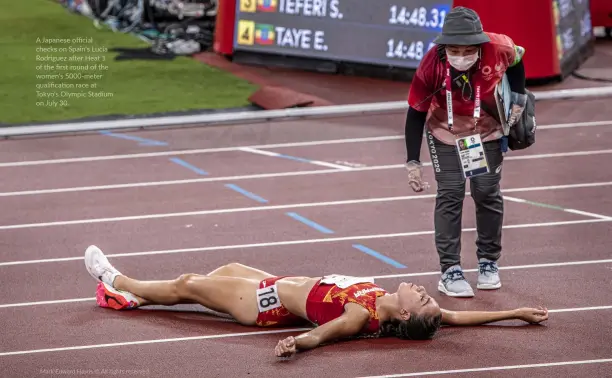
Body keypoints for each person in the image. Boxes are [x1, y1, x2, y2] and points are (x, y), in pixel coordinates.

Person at [84, 245, 549, 357]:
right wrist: (514, 312)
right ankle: (132, 299)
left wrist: (298, 345)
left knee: (188, 283)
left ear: (404, 313)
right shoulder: (385, 302)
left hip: (263, 302)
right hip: (275, 284)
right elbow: (459, 317)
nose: (425, 289)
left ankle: (116, 280)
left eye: (421, 298)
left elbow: (325, 334)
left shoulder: (359, 314)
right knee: (217, 272)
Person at [403, 6, 528, 298]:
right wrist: (412, 161)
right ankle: (450, 270)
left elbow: (519, 59)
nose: (461, 55)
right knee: (451, 193)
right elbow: (415, 111)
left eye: (468, 49)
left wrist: (519, 96)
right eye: (454, 50)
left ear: (480, 44)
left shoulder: (499, 47)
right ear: (444, 47)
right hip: (444, 134)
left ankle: (488, 262)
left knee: (486, 191)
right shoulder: (431, 64)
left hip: (486, 132)